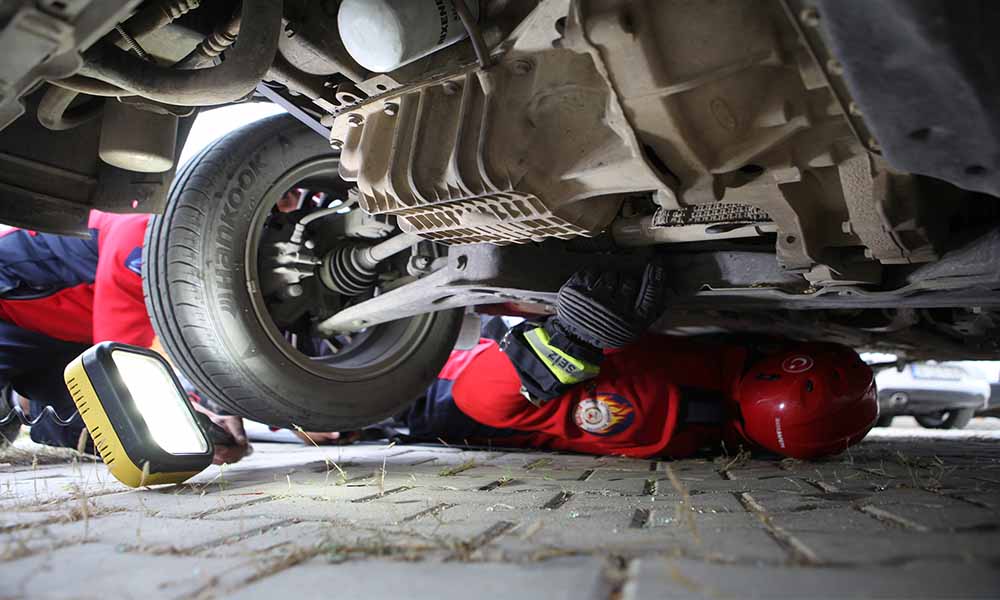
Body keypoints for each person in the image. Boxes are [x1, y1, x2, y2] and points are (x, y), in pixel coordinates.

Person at [399, 267, 878, 460]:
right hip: (462, 354)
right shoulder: (723, 381)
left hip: (430, 390)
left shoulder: (658, 411)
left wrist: (568, 341)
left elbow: (478, 400)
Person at [0, 211, 249, 464]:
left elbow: (176, 354)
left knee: (125, 436)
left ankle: (19, 401)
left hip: (66, 337)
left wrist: (215, 408)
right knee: (130, 409)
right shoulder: (143, 237)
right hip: (8, 314)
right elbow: (121, 362)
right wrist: (181, 410)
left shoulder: (194, 276)